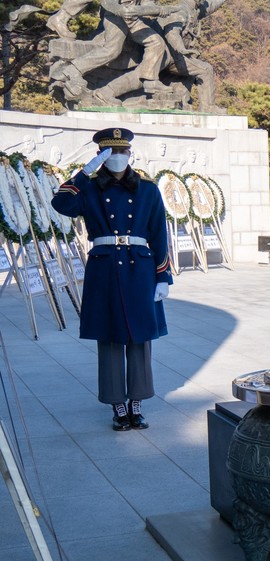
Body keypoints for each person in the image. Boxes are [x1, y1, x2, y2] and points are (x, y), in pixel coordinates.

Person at [51, 128, 173, 431]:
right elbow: (60, 204)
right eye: (110, 153)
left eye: (122, 152)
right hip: (105, 267)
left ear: (130, 154)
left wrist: (163, 277)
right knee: (109, 337)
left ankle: (137, 402)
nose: (118, 157)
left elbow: (159, 233)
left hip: (140, 269)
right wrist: (85, 172)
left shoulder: (147, 188)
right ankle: (117, 404)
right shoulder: (89, 188)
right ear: (100, 156)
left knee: (140, 337)